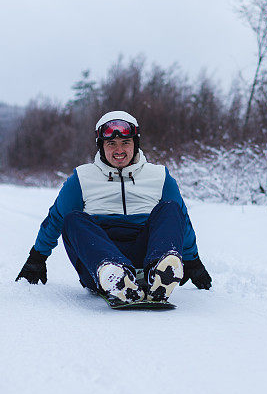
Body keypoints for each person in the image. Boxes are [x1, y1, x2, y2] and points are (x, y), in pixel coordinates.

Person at [14, 110, 212, 303]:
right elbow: (55, 219)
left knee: (171, 209)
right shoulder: (83, 178)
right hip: (97, 257)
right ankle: (113, 275)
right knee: (73, 219)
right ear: (101, 146)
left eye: (125, 142)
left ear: (136, 144)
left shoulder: (159, 176)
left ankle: (158, 273)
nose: (119, 150)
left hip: (145, 255)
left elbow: (181, 220)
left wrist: (192, 260)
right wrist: (37, 257)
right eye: (111, 143)